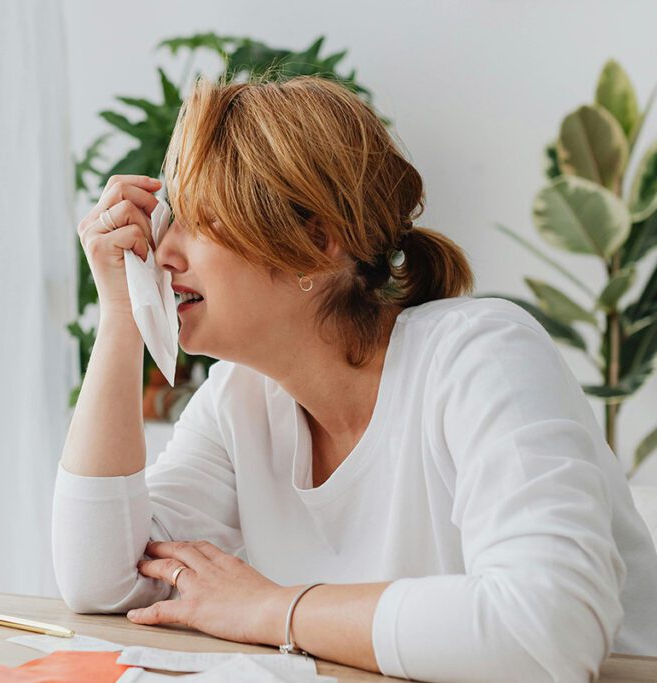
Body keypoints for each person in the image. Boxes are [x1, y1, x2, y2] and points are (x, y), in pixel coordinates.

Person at [52, 75, 657, 682]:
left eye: (198, 221)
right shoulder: (238, 400)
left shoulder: (482, 356)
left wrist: (271, 608)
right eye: (168, 220)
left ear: (316, 242)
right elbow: (104, 580)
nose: (162, 254)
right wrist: (121, 321)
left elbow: (547, 630)